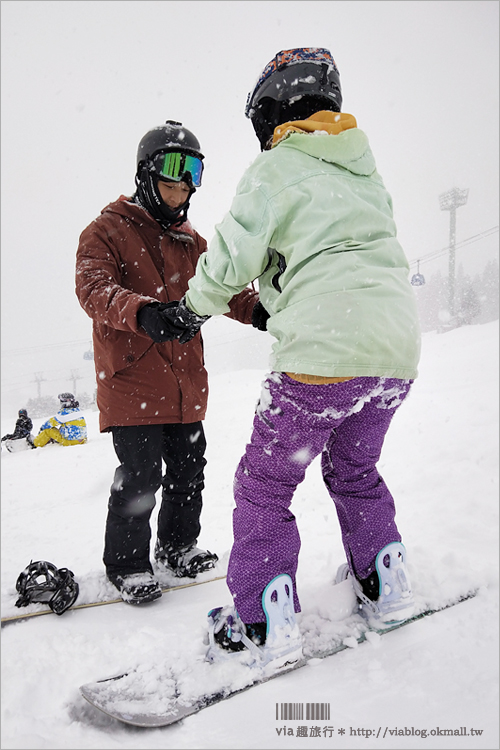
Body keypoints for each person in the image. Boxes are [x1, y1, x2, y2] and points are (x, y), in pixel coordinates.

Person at [157, 48, 421, 669]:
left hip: (320, 353)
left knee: (266, 484)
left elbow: (228, 259)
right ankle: (388, 580)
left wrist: (192, 309)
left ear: (272, 112)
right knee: (355, 470)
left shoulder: (275, 170)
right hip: (394, 354)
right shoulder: (365, 174)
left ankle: (261, 621)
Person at [75, 120, 259, 606]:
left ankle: (178, 546)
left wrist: (259, 310)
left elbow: (224, 287)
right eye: (170, 183)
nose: (179, 194)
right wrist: (144, 312)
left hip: (185, 385)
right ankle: (128, 564)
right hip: (132, 381)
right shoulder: (106, 231)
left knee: (188, 470)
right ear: (146, 177)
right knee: (140, 476)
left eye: (186, 186)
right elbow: (93, 290)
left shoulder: (191, 242)